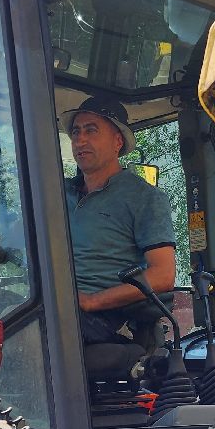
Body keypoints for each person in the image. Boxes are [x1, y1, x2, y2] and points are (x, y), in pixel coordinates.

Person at [65, 94, 176, 344]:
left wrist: (92, 301)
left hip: (103, 316)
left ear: (117, 141)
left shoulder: (144, 198)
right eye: (75, 132)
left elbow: (163, 275)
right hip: (54, 304)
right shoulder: (57, 194)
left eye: (91, 130)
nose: (80, 139)